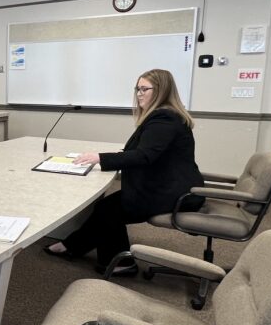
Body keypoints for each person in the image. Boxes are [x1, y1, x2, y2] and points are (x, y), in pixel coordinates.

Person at [44, 69, 205, 276]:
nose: (139, 93)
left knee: (109, 210)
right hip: (167, 185)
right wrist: (118, 155)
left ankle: (121, 263)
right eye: (137, 88)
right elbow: (148, 152)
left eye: (144, 89)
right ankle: (72, 246)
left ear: (162, 91)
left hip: (172, 193)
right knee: (106, 206)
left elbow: (145, 156)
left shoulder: (164, 118)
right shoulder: (166, 116)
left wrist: (100, 158)